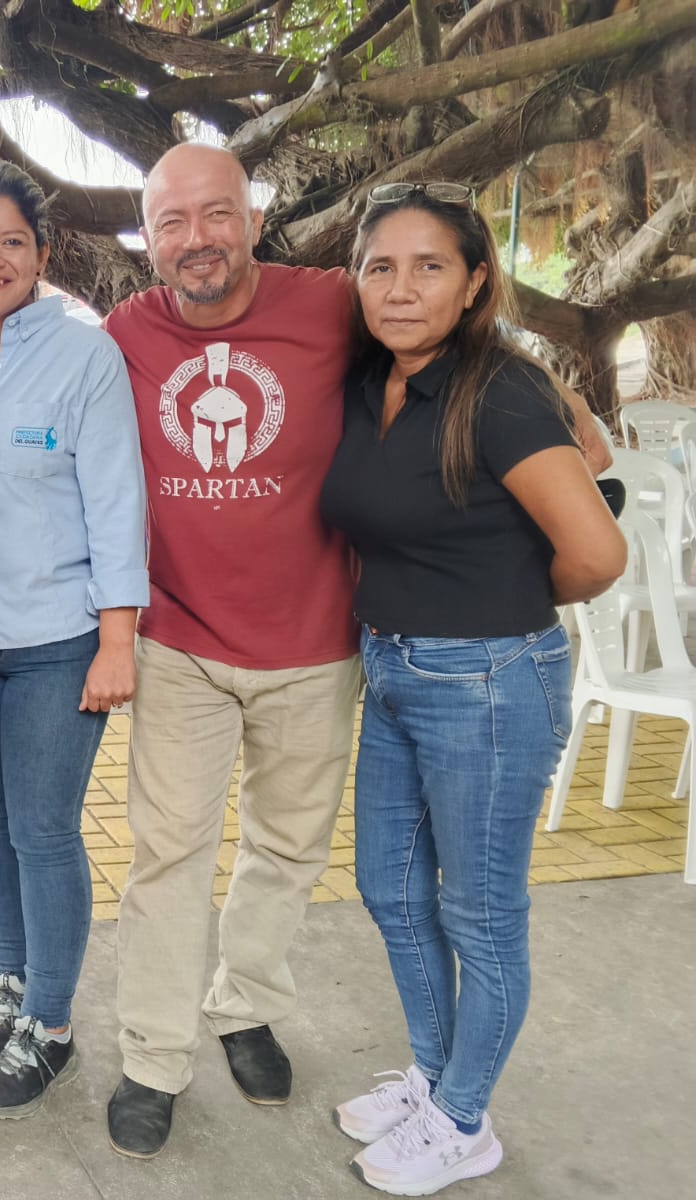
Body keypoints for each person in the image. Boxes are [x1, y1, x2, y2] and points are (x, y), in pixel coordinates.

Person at [319, 183, 624, 1195]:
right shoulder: (374, 380)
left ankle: (463, 1119)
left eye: (430, 266)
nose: (401, 289)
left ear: (475, 281)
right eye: (380, 267)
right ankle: (432, 1076)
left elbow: (597, 554)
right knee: (389, 888)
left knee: (480, 916)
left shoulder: (499, 393)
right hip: (391, 666)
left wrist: (504, 600)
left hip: (489, 680)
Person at [100, 142, 367, 1160]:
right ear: (148, 240)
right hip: (180, 640)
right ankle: (153, 1056)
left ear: (253, 220)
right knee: (168, 856)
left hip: (315, 640)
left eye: (217, 213)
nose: (197, 238)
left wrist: (560, 407)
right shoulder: (126, 333)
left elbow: (447, 331)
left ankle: (245, 1003)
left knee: (288, 848)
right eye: (171, 221)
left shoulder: (332, 304)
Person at [0, 160, 148, 1119]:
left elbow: (117, 500)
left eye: (12, 241)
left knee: (44, 828)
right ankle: (13, 981)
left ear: (42, 254)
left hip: (59, 638)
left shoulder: (85, 357)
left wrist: (117, 639)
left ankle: (51, 1024)